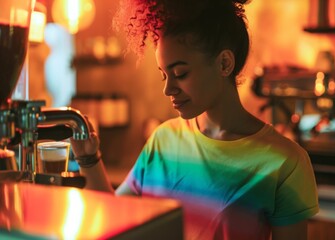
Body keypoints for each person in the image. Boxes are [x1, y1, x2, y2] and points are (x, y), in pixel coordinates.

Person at [70, 0, 319, 239]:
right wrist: (88, 159)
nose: (168, 89)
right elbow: (113, 216)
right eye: (164, 75)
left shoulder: (285, 163)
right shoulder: (163, 140)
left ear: (224, 63)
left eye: (180, 73)